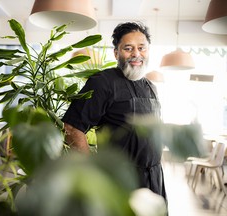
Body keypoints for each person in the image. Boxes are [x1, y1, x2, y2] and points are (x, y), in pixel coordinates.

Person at [62, 21, 167, 203]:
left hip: (154, 179)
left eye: (142, 48)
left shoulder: (151, 87)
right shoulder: (102, 82)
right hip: (119, 181)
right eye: (128, 48)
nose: (136, 54)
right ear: (116, 53)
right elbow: (72, 127)